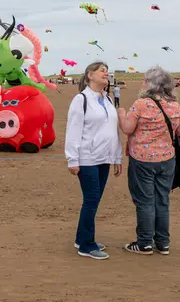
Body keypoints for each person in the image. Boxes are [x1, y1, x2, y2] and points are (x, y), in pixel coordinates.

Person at [117, 66, 180, 256]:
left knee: (145, 201)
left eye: (145, 80)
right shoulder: (175, 105)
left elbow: (128, 129)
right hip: (167, 159)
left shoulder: (141, 104)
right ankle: (163, 243)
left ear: (150, 84)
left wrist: (122, 115)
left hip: (143, 160)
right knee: (162, 200)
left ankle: (144, 242)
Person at [65, 62, 123, 260]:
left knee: (94, 200)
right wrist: (72, 159)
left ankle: (82, 238)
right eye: (102, 70)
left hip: (104, 158)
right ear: (90, 75)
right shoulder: (80, 100)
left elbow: (112, 131)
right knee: (91, 199)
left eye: (107, 70)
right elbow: (73, 130)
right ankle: (87, 245)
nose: (106, 73)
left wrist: (116, 157)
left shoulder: (106, 100)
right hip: (87, 158)